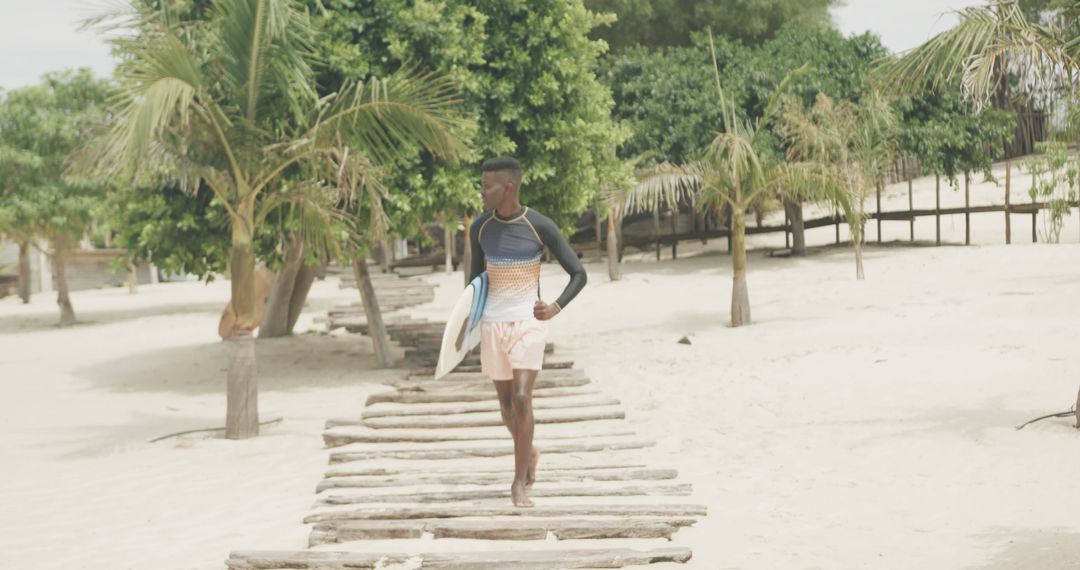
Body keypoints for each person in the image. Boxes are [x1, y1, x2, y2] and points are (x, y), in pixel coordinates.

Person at [467, 156, 587, 507]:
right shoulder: (479, 228)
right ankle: (529, 451)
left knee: (522, 398)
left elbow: (578, 273)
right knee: (506, 409)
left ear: (509, 187)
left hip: (528, 322)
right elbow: (474, 282)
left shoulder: (539, 225)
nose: (482, 191)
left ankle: (518, 483)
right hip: (492, 323)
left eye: (487, 186)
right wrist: (467, 328)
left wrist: (554, 308)